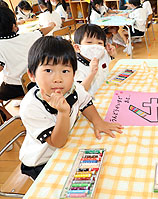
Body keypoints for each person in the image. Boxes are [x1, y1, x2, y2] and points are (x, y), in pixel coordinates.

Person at [19, 36, 123, 180]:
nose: (58, 79)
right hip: (42, 161)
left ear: (74, 74)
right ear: (32, 75)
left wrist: (98, 121)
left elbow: (85, 102)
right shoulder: (31, 107)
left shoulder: (72, 88)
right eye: (48, 70)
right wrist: (63, 112)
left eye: (65, 71)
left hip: (65, 148)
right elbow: (57, 142)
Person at [0, 7, 55, 104]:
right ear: (13, 25)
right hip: (36, 81)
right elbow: (42, 31)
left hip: (14, 87)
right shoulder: (29, 36)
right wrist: (51, 25)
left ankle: (9, 117)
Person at [73, 24, 117, 96]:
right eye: (89, 42)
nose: (95, 46)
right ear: (77, 47)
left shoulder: (102, 54)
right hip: (90, 102)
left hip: (105, 93)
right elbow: (80, 92)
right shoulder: (75, 66)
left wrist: (112, 54)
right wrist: (92, 73)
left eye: (99, 43)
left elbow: (108, 61)